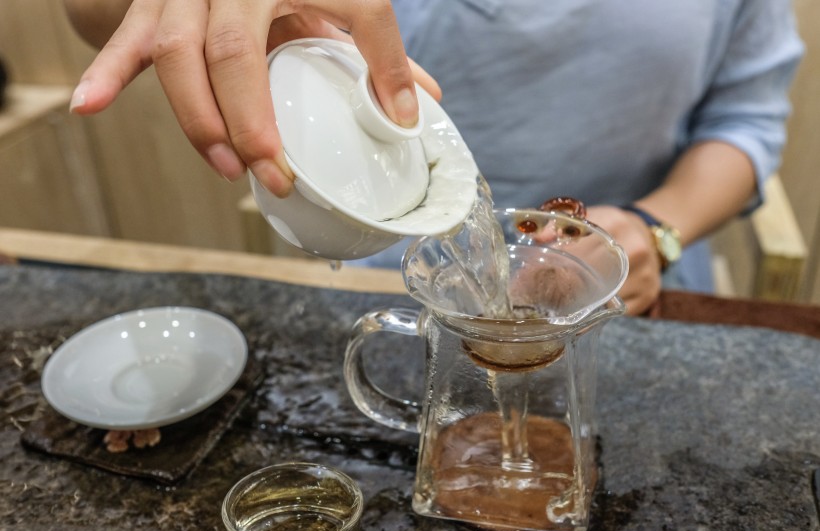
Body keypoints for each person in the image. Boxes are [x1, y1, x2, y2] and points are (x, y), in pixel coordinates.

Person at [62, 0, 803, 316]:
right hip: (379, 278)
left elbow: (745, 119)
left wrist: (656, 227)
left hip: (622, 291)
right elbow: (92, 11)